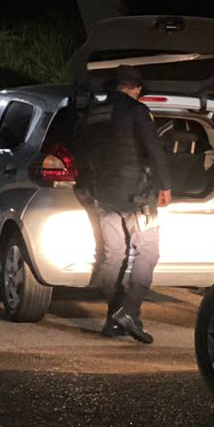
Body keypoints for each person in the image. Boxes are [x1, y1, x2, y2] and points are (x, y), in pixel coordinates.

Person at [75, 65, 171, 344]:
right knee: (149, 251)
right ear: (136, 88)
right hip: (136, 196)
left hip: (102, 194)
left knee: (113, 255)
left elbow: (80, 151)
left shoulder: (93, 114)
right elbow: (154, 149)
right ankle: (129, 311)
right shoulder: (136, 110)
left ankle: (113, 319)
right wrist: (165, 186)